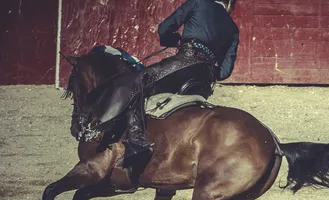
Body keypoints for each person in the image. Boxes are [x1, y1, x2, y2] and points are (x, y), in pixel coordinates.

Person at [88, 0, 239, 169]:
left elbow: (164, 28)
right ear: (229, 4)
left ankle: (137, 142)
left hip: (183, 63)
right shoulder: (233, 28)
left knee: (136, 83)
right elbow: (225, 71)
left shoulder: (198, 3)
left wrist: (172, 39)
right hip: (204, 79)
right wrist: (208, 69)